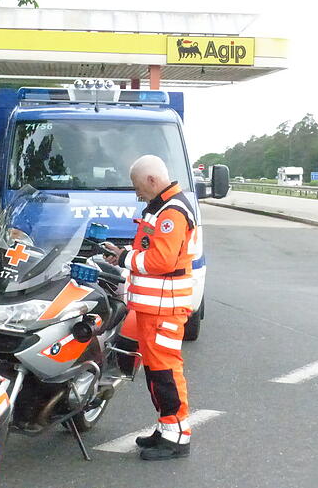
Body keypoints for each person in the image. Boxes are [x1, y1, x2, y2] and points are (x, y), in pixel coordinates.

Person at [103, 154, 197, 461]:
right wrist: (125, 253)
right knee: (158, 372)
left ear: (153, 181)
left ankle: (176, 436)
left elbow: (161, 261)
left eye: (138, 186)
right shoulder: (163, 208)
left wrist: (127, 260)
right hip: (154, 308)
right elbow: (150, 249)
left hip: (163, 309)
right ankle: (166, 428)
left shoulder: (171, 212)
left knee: (166, 372)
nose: (136, 193)